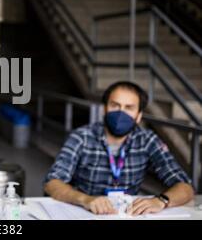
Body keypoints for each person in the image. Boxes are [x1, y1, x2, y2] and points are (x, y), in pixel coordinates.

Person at [44, 81, 194, 216]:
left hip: (126, 214)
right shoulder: (81, 136)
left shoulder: (147, 140)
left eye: (129, 107)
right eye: (115, 105)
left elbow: (185, 187)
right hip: (84, 213)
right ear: (105, 109)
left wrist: (161, 201)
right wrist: (86, 200)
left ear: (139, 115)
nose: (121, 112)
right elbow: (52, 182)